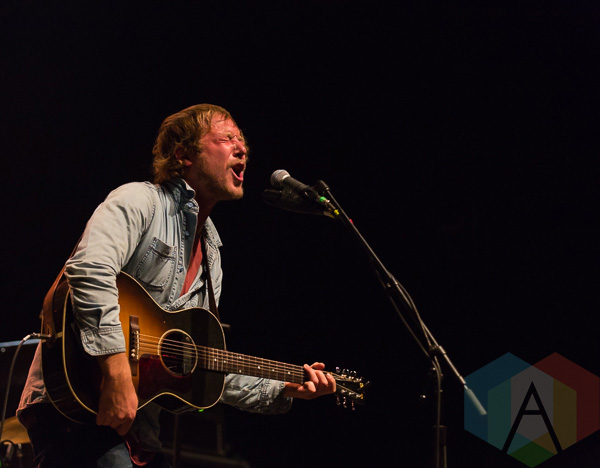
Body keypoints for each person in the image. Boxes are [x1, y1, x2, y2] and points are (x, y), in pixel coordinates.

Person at [17, 104, 336, 467]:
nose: (242, 149)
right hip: (76, 400)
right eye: (227, 138)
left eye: (243, 141)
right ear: (184, 154)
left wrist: (284, 386)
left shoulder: (212, 255)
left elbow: (201, 363)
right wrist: (117, 371)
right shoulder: (140, 201)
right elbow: (89, 270)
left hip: (137, 428)